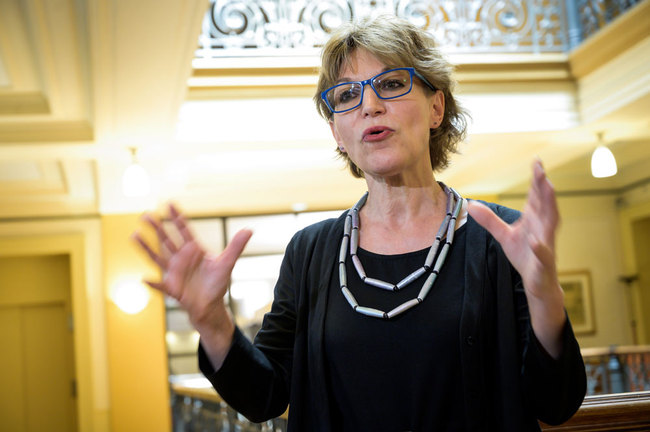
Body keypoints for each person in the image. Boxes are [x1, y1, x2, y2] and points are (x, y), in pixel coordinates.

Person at [133, 15, 586, 431]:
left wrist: (545, 294)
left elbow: (554, 404)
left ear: (436, 109)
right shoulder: (310, 252)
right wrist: (213, 322)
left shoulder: (498, 236)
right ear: (337, 132)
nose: (369, 104)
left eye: (390, 83)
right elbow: (264, 397)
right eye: (347, 94)